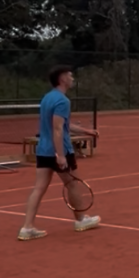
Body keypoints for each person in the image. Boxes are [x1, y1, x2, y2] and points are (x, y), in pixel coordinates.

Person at [18, 68, 101, 240]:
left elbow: (64, 125)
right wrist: (61, 155)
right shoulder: (62, 101)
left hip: (43, 150)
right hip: (59, 150)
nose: (72, 78)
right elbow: (57, 129)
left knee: (39, 188)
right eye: (70, 76)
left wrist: (87, 131)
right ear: (62, 79)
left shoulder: (48, 98)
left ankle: (27, 228)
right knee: (72, 184)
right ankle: (80, 220)